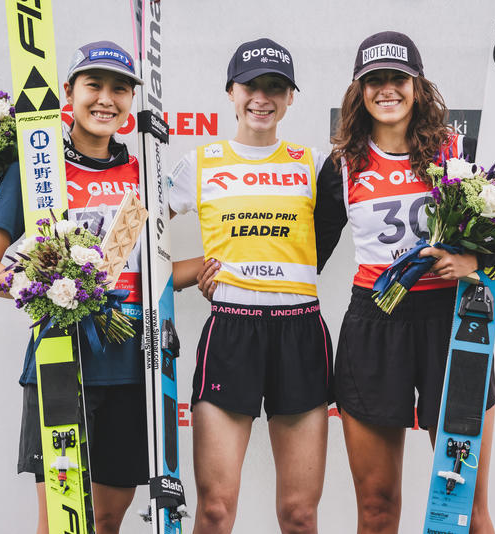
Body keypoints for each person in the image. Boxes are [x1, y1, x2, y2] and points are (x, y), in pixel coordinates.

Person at [313, 31, 495, 533]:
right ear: (359, 91)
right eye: (374, 80)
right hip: (374, 326)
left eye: (398, 78)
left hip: (452, 327)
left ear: (418, 86)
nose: (387, 89)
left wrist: (477, 258)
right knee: (377, 510)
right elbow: (307, 256)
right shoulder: (342, 166)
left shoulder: (459, 152)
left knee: (465, 508)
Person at [0, 40, 202, 534]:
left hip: (134, 368)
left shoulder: (145, 174)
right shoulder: (38, 170)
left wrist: (211, 267)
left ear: (131, 100)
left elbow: (149, 275)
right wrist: (48, 286)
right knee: (62, 523)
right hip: (60, 363)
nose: (106, 99)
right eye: (94, 85)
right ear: (69, 93)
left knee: (108, 521)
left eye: (120, 89)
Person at [168, 38, 333, 534]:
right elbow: (136, 241)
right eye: (250, 86)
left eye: (275, 87)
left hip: (299, 332)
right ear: (231, 92)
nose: (262, 98)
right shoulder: (199, 163)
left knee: (299, 515)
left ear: (290, 97)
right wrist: (192, 271)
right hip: (231, 331)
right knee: (215, 510)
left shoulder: (315, 163)